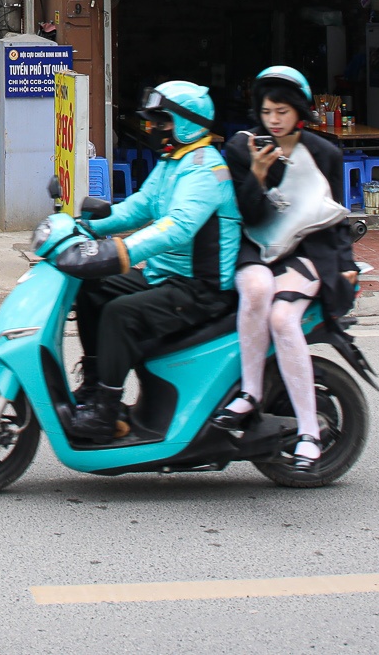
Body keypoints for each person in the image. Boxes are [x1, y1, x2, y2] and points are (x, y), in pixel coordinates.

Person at [56, 80, 241, 442]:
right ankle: (95, 387)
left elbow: (178, 227)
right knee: (91, 288)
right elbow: (140, 206)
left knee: (119, 314)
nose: (154, 128)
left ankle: (105, 414)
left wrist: (122, 252)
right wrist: (85, 227)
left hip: (201, 289)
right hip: (166, 277)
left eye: (162, 120)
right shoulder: (175, 161)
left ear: (185, 122)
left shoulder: (205, 169)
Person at [215, 66, 360, 470]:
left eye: (281, 111)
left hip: (306, 253)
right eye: (266, 112)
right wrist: (258, 176)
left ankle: (310, 433)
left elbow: (334, 216)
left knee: (283, 320)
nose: (273, 120)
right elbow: (251, 216)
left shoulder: (325, 153)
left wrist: (346, 264)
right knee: (257, 291)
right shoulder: (243, 150)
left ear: (299, 111)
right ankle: (249, 393)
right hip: (258, 248)